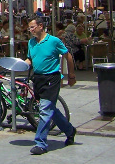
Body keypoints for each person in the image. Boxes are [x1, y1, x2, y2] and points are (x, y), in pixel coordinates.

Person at [25, 16, 77, 155]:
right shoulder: (31, 43)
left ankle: (40, 143)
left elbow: (68, 56)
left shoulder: (54, 41)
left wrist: (71, 76)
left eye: (32, 27)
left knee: (44, 109)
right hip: (38, 79)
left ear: (40, 26)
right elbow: (30, 59)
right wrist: (19, 64)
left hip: (51, 79)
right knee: (51, 109)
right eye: (29, 27)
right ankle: (70, 130)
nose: (30, 30)